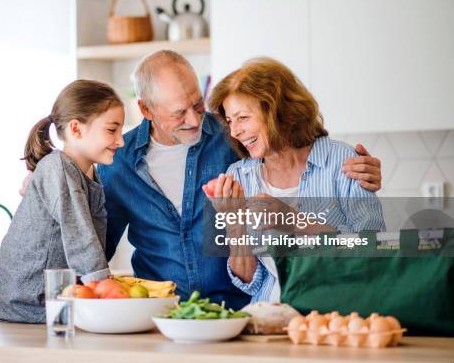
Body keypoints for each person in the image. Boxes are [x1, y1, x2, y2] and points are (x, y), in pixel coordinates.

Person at [95, 50, 383, 309]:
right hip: (164, 313)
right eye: (179, 113)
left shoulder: (232, 142)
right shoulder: (117, 162)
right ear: (146, 110)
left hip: (242, 311)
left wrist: (298, 217)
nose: (196, 121)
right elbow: (98, 248)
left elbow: (376, 253)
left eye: (197, 105)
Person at [206, 56, 385, 303]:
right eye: (230, 121)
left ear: (277, 111)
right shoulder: (239, 176)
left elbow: (373, 253)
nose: (235, 131)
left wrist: (292, 220)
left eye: (243, 118)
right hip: (269, 320)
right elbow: (250, 282)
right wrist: (234, 224)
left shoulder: (343, 162)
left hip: (335, 314)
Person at [0, 80, 125, 323]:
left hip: (54, 303)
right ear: (76, 129)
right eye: (111, 130)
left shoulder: (86, 174)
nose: (121, 141)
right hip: (32, 305)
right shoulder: (57, 167)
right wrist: (107, 290)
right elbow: (82, 240)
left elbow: (94, 241)